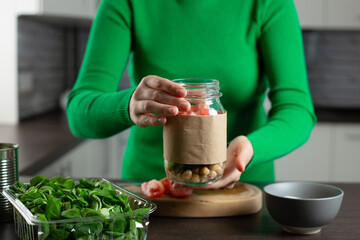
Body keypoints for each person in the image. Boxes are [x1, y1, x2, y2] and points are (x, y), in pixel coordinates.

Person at [66, 0, 317, 189]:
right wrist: (129, 104)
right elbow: (79, 114)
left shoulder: (269, 3)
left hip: (243, 187)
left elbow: (297, 109)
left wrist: (251, 149)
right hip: (152, 189)